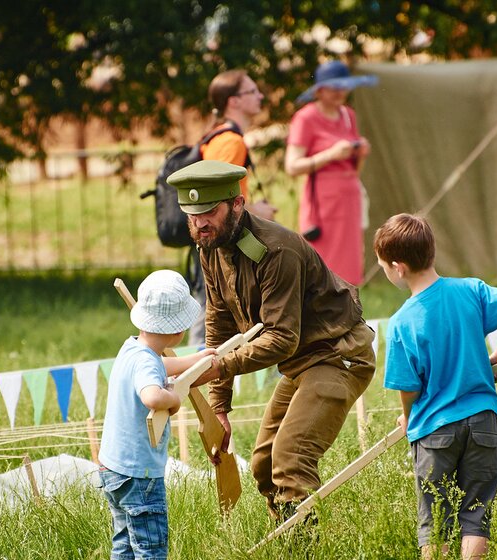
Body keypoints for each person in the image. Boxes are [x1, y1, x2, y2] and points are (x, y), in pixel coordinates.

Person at [166, 159, 376, 522]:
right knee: (263, 465)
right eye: (192, 214)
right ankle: (289, 538)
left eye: (209, 212)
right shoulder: (210, 246)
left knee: (290, 460)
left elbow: (282, 338)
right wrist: (219, 408)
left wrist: (218, 366)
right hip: (302, 363)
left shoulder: (278, 250)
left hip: (339, 356)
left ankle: (305, 549)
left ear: (236, 204)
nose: (200, 223)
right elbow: (219, 322)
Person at [375, 213, 497, 559]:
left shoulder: (402, 321)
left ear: (398, 268)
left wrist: (408, 418)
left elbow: (408, 388)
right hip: (483, 423)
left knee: (435, 522)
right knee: (476, 517)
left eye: (383, 267)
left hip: (434, 431)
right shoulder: (471, 290)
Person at [97, 269, 214, 560]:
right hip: (140, 476)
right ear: (178, 331)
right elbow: (151, 394)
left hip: (113, 470)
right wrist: (172, 400)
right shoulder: (147, 365)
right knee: (151, 549)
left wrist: (197, 359)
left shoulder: (132, 349)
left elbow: (162, 366)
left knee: (124, 545)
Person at [188, 69, 277, 346]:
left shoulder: (221, 136)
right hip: (220, 236)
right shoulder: (231, 141)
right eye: (252, 91)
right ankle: (191, 375)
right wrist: (256, 212)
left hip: (215, 234)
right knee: (209, 311)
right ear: (234, 101)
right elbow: (212, 193)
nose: (260, 95)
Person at [284, 59, 377, 285]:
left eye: (344, 86)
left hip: (349, 197)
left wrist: (360, 153)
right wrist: (331, 154)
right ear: (319, 90)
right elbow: (292, 166)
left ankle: (350, 313)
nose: (340, 92)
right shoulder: (306, 118)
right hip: (322, 203)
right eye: (334, 87)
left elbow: (354, 170)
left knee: (351, 265)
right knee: (324, 265)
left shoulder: (348, 115)